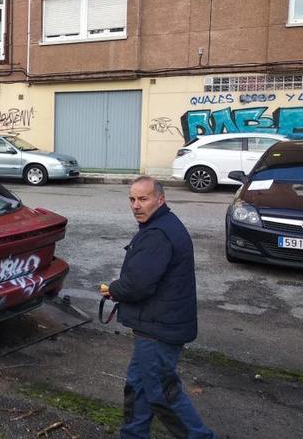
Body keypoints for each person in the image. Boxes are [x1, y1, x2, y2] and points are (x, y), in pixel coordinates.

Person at [100, 176, 215, 438]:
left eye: (143, 199)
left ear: (160, 199)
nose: (136, 205)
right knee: (138, 387)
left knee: (162, 393)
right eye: (132, 199)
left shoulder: (158, 233)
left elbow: (137, 284)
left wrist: (115, 289)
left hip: (159, 329)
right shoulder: (161, 225)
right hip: (156, 324)